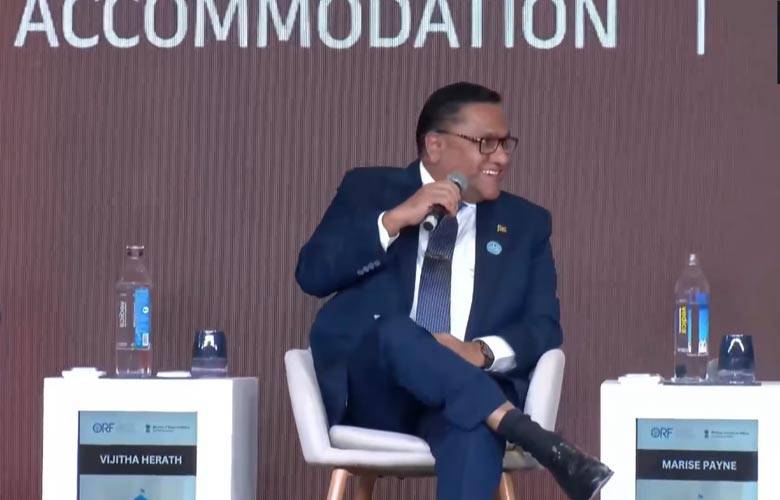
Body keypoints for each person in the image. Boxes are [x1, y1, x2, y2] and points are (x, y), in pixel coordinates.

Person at [295, 82, 613, 500]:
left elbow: (543, 327)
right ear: (435, 146)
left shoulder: (526, 223)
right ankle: (529, 434)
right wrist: (392, 220)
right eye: (486, 143)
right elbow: (312, 275)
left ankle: (501, 419)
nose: (502, 157)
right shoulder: (369, 189)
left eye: (505, 143)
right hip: (378, 396)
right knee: (395, 332)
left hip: (462, 400)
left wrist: (478, 352)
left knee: (474, 429)